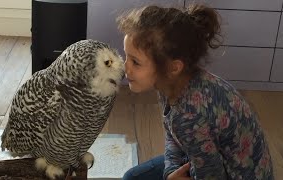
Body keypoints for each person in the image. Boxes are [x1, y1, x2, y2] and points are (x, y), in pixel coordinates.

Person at [116, 3, 274, 180]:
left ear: (173, 67)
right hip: (201, 158)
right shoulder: (171, 82)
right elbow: (173, 135)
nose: (125, 67)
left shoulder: (189, 116)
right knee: (131, 177)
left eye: (135, 62)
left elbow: (211, 176)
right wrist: (170, 172)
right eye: (127, 56)